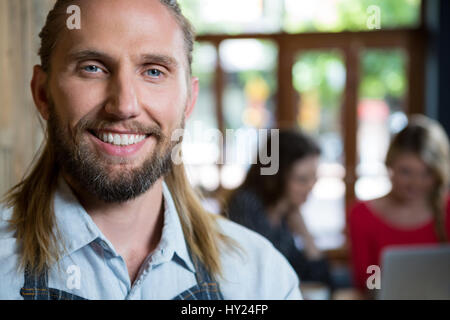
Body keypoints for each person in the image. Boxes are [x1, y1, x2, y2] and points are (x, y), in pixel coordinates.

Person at [0, 0, 301, 300]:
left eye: (154, 72)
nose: (124, 106)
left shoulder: (261, 279)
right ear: (42, 93)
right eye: (92, 68)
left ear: (189, 101)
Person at [349, 115, 450, 295]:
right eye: (406, 172)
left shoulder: (446, 208)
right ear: (390, 166)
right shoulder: (362, 215)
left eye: (426, 173)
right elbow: (367, 281)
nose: (415, 183)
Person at [225, 129, 333, 290]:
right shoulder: (245, 204)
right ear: (275, 176)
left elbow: (320, 278)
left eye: (314, 178)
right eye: (302, 179)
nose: (311, 187)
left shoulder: (286, 213)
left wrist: (306, 235)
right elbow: (256, 278)